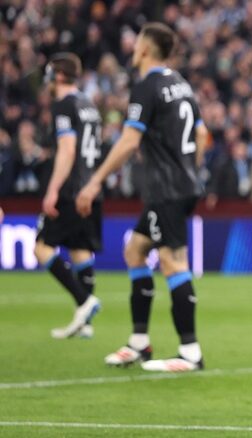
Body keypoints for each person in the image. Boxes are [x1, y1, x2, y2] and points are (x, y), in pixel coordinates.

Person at [76, 22, 210, 373]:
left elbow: (129, 141)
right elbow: (202, 134)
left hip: (167, 189)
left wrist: (95, 182)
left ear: (146, 50)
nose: (133, 49)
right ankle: (139, 342)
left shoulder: (147, 86)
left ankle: (190, 352)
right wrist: (189, 169)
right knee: (135, 251)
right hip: (181, 184)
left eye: (137, 44)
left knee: (172, 262)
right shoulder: (181, 84)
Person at [35, 53, 103, 340]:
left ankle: (84, 301)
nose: (48, 80)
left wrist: (52, 189)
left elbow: (67, 149)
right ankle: (84, 324)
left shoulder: (64, 105)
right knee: (79, 250)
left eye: (50, 73)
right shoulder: (89, 105)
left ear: (60, 75)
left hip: (71, 188)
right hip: (91, 187)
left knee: (41, 248)